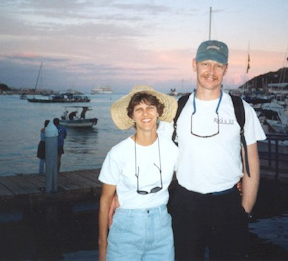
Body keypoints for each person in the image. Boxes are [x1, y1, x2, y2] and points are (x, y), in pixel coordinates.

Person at [169, 40, 266, 260]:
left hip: (228, 205)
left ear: (226, 69)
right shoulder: (177, 108)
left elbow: (251, 161)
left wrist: (245, 209)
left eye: (218, 66)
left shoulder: (242, 109)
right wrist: (121, 193)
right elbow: (158, 155)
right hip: (186, 204)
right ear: (194, 65)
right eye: (205, 64)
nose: (211, 72)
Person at [98, 85, 178, 261]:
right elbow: (105, 200)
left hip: (162, 230)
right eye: (139, 109)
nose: (145, 113)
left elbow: (192, 173)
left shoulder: (171, 148)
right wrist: (102, 245)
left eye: (150, 107)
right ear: (132, 115)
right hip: (125, 229)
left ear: (158, 112)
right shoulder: (118, 153)